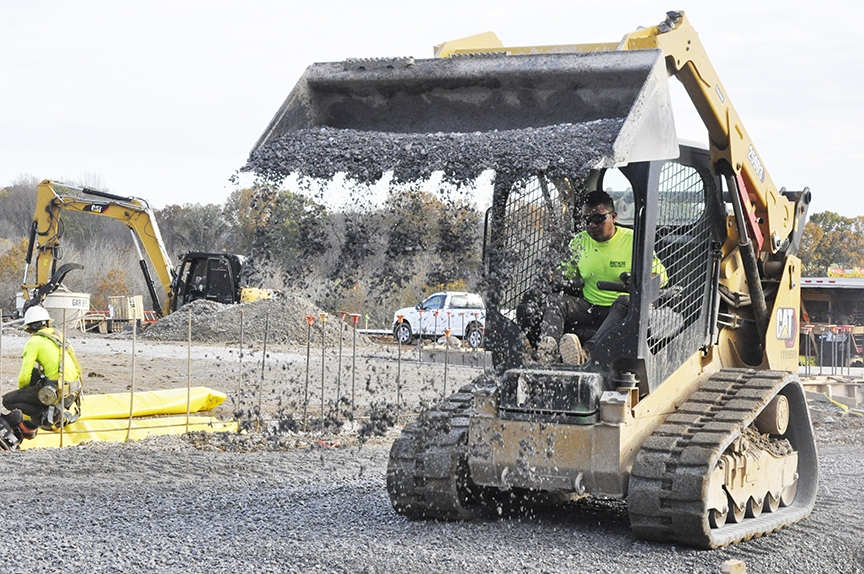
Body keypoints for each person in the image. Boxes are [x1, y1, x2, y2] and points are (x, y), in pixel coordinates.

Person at [534, 190, 667, 364]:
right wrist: (551, 275)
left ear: (613, 216)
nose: (592, 225)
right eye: (587, 220)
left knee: (625, 302)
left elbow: (662, 276)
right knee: (555, 300)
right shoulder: (579, 242)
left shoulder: (633, 241)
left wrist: (641, 280)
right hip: (589, 306)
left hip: (621, 311)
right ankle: (547, 351)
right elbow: (565, 272)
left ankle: (586, 352)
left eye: (598, 219)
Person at [3, 305, 83, 430]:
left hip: (58, 394)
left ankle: (46, 416)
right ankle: (53, 409)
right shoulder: (59, 335)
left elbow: (24, 377)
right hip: (73, 390)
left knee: (8, 400)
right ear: (47, 323)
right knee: (36, 374)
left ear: (29, 329)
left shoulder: (34, 342)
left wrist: (22, 394)